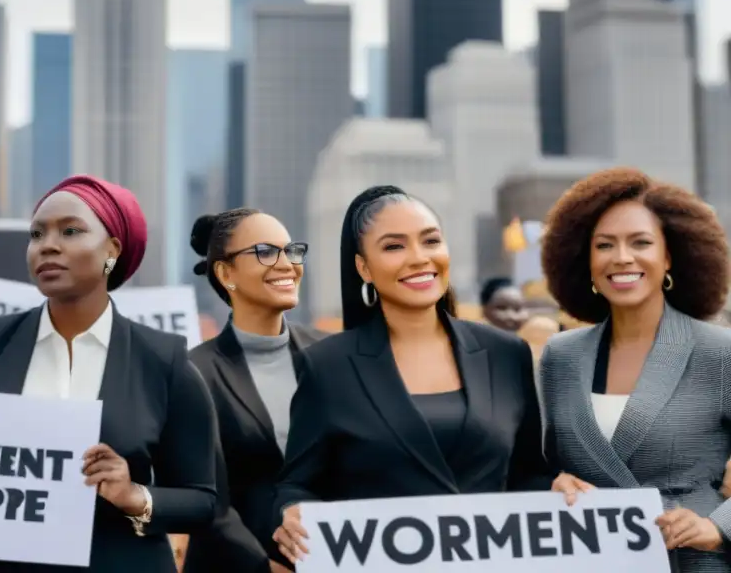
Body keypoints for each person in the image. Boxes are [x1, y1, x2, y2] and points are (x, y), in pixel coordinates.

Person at [0, 175, 217, 572]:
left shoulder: (163, 359)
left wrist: (135, 495)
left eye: (71, 230)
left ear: (112, 250)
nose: (47, 245)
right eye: (36, 234)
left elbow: (201, 500)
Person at [272, 186, 550, 564]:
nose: (419, 258)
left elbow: (529, 475)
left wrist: (557, 487)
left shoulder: (506, 354)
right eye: (394, 247)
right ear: (363, 268)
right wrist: (292, 510)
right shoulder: (327, 365)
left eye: (431, 240)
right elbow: (298, 484)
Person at [539, 167, 731, 571]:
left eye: (640, 242)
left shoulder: (720, 351)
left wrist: (720, 528)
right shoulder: (560, 356)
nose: (622, 257)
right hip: (591, 559)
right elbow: (544, 464)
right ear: (585, 260)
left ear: (669, 256)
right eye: (604, 245)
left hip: (692, 562)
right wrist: (554, 483)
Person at [182, 210, 323, 573]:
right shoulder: (193, 372)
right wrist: (266, 568)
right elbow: (207, 501)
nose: (286, 264)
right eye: (264, 251)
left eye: (292, 251)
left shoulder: (332, 354)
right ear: (226, 273)